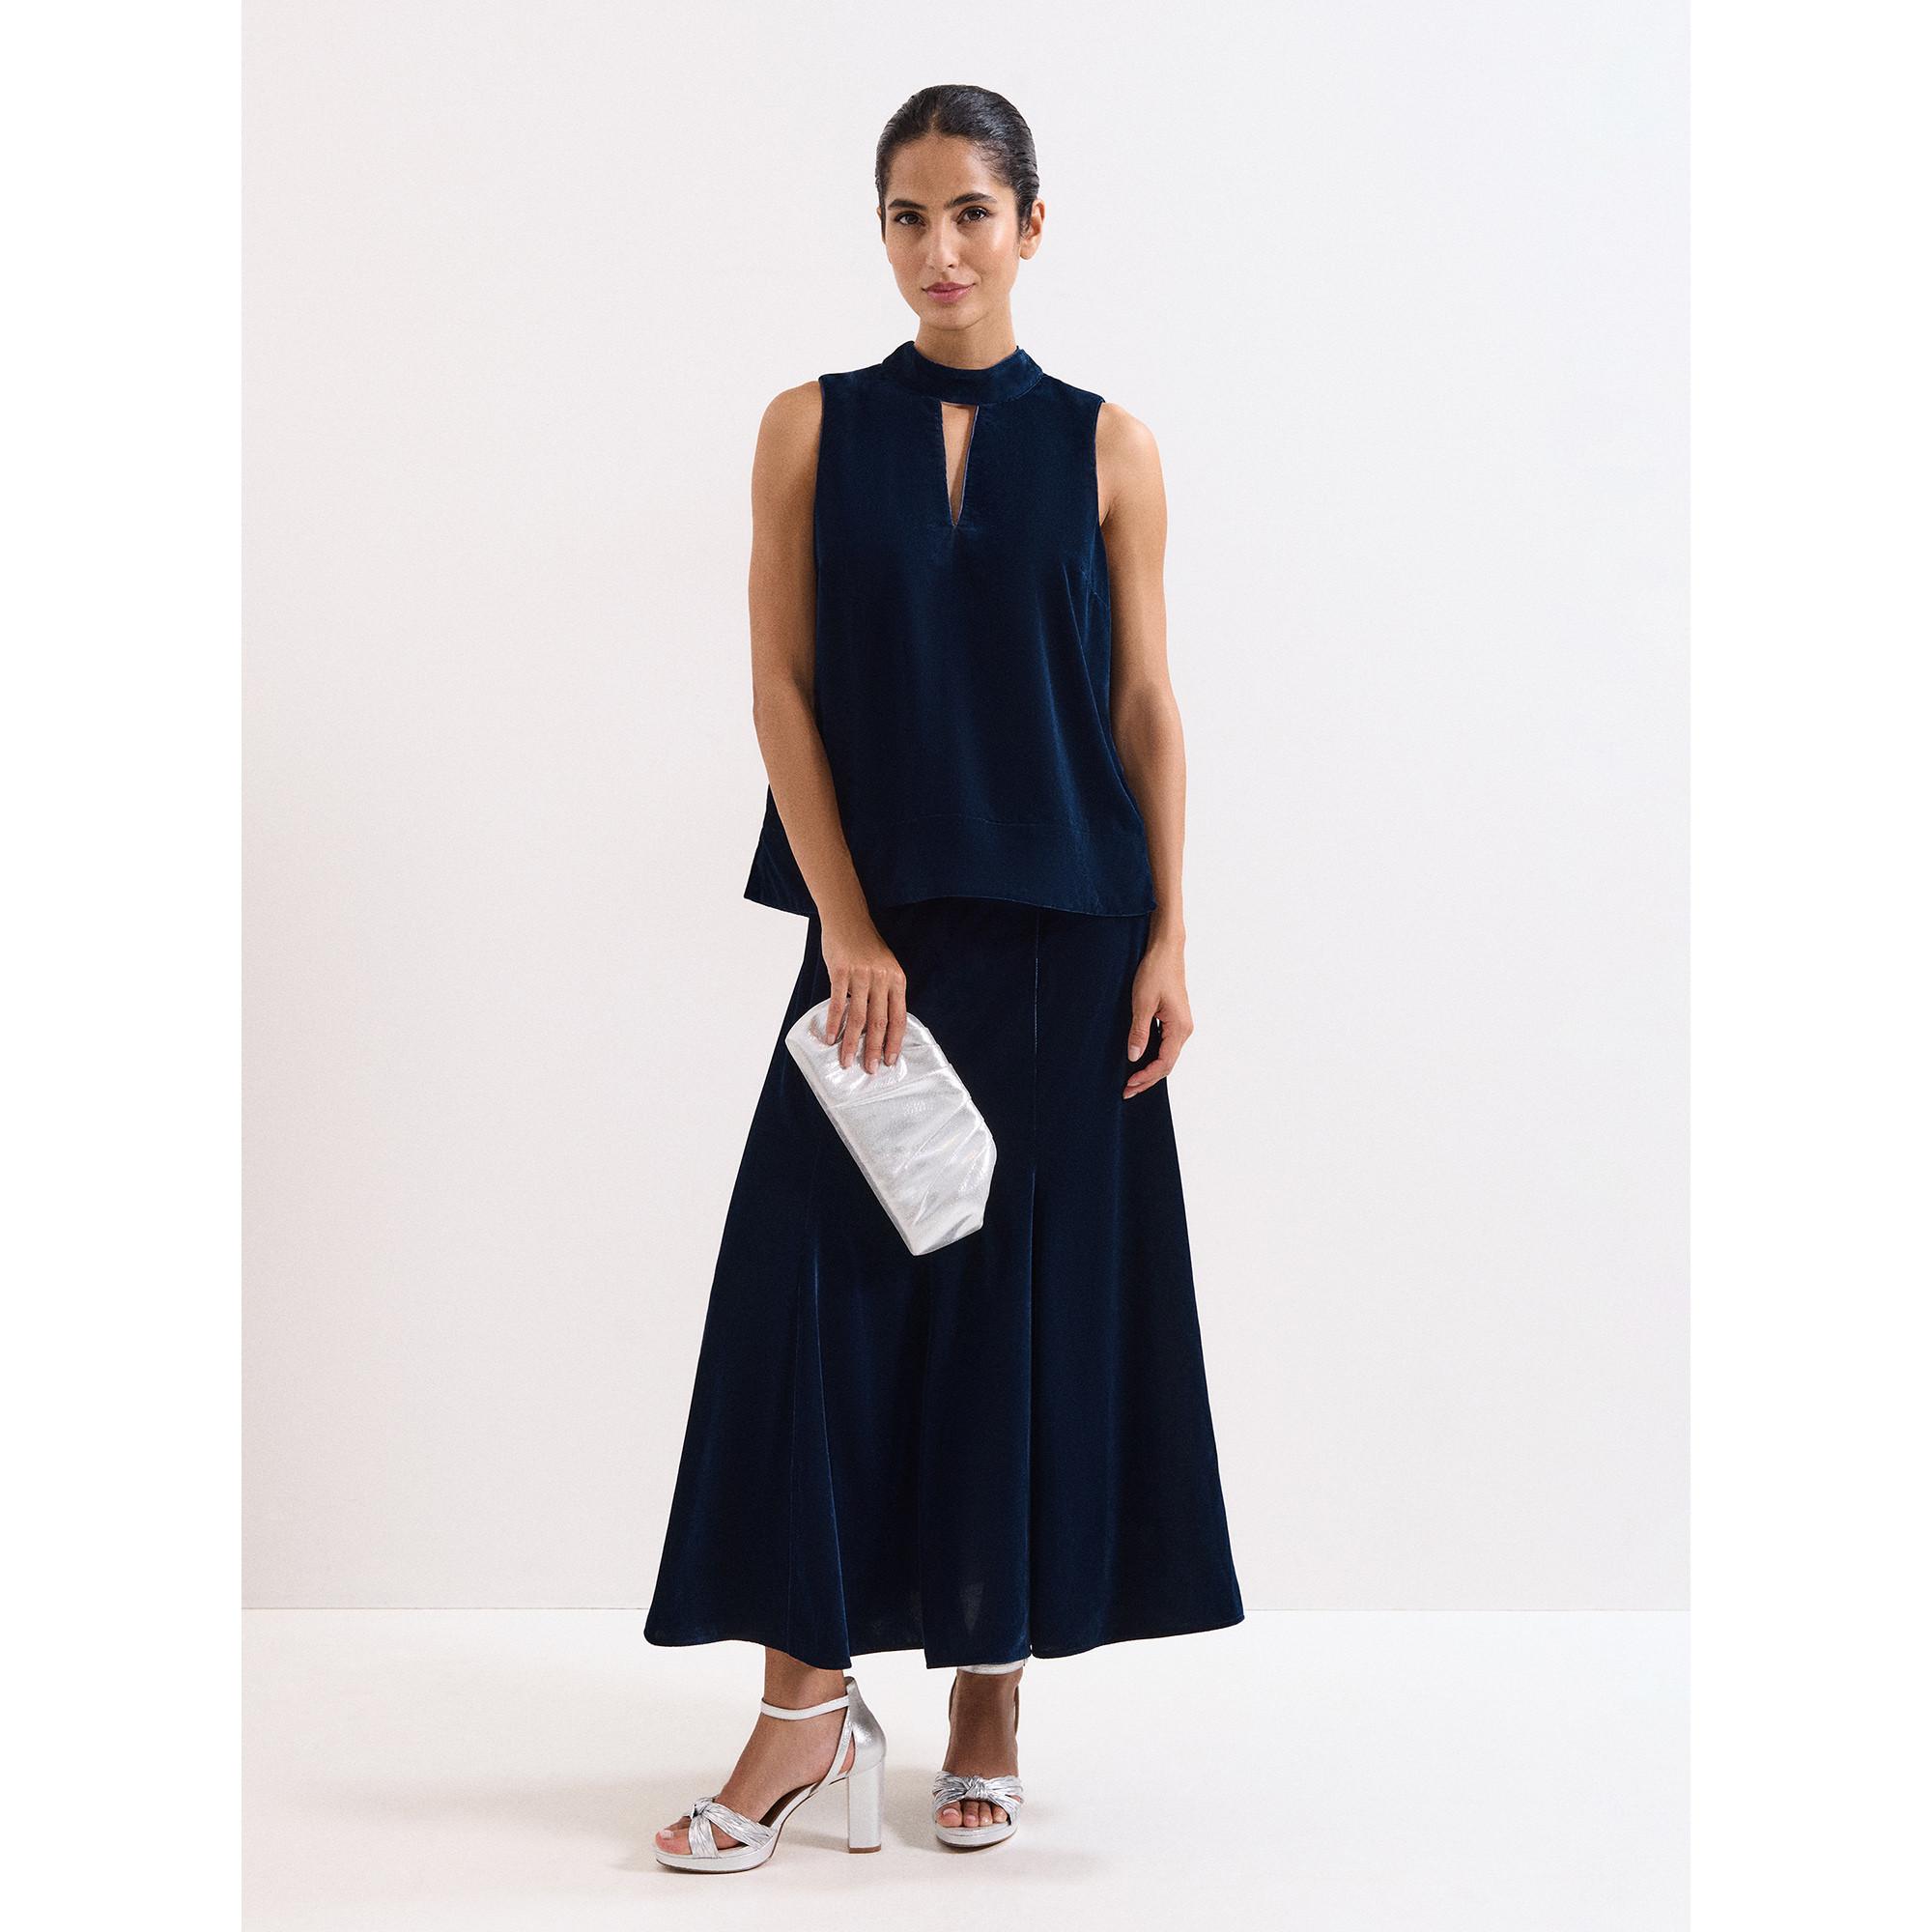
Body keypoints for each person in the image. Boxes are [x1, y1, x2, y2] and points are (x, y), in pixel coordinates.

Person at [644, 82, 1243, 1871]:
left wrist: (1170, 930)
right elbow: (781, 689)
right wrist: (846, 924)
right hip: (878, 946)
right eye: (907, 217)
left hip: (1069, 941)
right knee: (810, 1313)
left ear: (1031, 226)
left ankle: (990, 1691)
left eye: (972, 213)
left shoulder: (1112, 445)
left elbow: (1144, 702)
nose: (939, 250)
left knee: (1021, 1318)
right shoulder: (811, 428)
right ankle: (802, 1715)